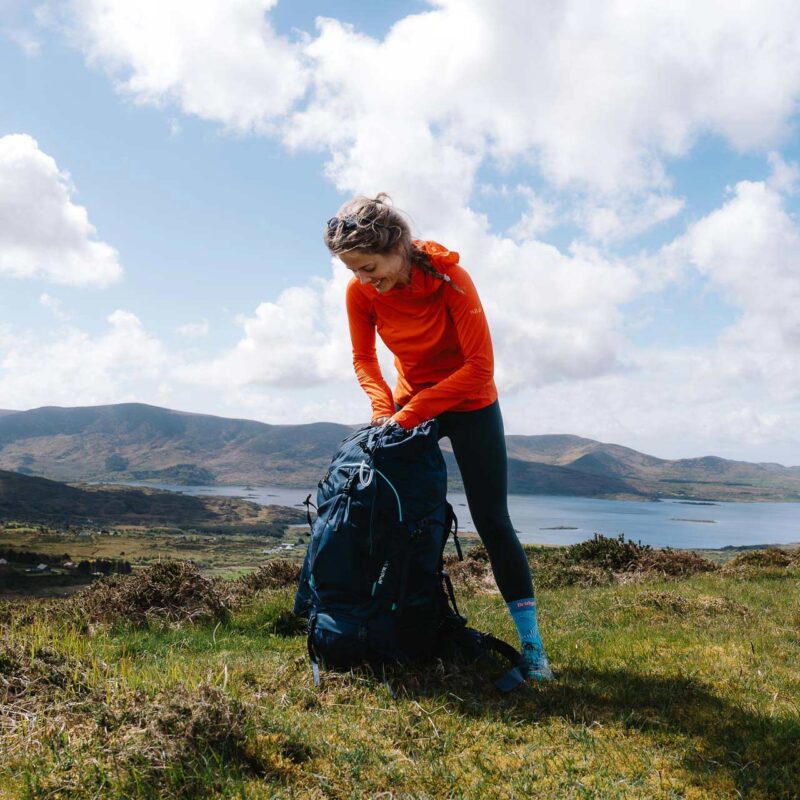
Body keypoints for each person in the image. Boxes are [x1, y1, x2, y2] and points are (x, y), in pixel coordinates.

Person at [324, 193, 553, 682]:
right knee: (396, 519)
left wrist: (409, 416)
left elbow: (479, 370)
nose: (365, 280)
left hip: (469, 403)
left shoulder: (451, 280)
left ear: (397, 246)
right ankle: (403, 627)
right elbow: (364, 360)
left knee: (493, 521)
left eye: (369, 266)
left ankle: (533, 651)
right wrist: (386, 411)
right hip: (408, 409)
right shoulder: (360, 293)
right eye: (354, 271)